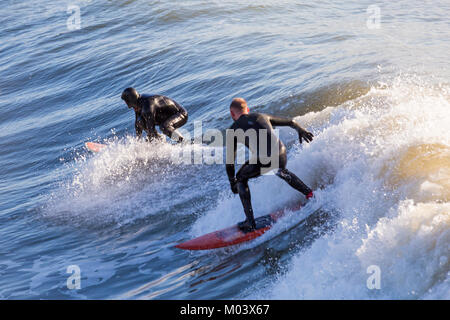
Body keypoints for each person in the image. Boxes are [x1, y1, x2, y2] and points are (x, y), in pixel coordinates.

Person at [226, 98, 314, 231]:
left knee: (241, 178)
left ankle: (250, 222)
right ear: (247, 109)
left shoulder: (233, 129)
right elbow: (291, 121)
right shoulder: (261, 116)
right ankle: (309, 194)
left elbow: (229, 162)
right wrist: (301, 130)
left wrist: (233, 182)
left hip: (265, 159)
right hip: (281, 153)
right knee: (280, 171)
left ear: (232, 114)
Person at [121, 87, 188, 142]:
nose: (128, 107)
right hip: (165, 117)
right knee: (140, 121)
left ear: (131, 101)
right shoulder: (138, 103)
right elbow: (137, 125)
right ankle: (160, 139)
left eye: (127, 103)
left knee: (164, 127)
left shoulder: (147, 107)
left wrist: (149, 142)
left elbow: (151, 129)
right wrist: (138, 141)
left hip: (180, 114)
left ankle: (182, 141)